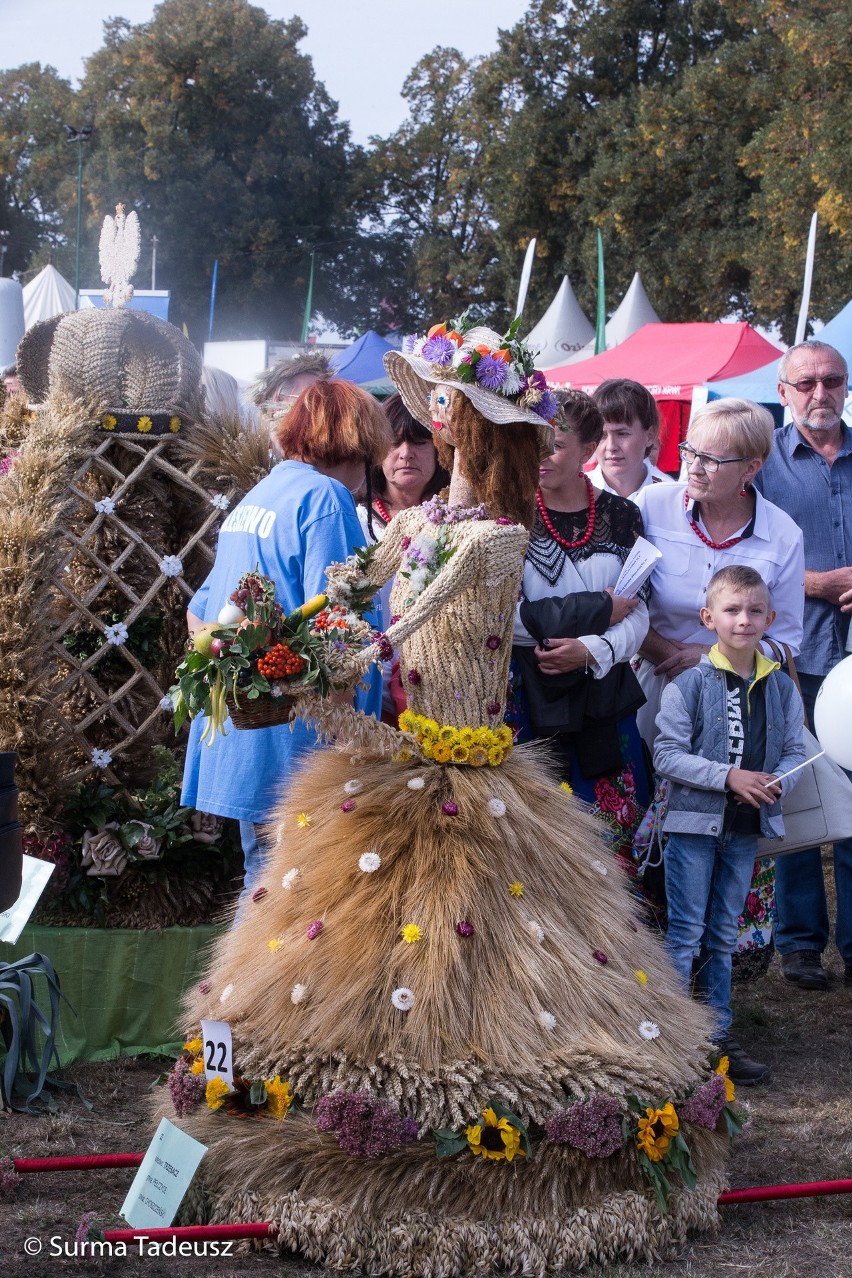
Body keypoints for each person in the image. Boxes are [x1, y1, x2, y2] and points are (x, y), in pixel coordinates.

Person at [170, 320, 730, 1271]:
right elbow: (352, 588)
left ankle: (478, 1154)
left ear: (473, 425)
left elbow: (398, 627)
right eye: (429, 399)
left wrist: (308, 654)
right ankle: (277, 1131)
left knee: (479, 969)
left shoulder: (493, 538)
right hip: (393, 759)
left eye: (447, 403)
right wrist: (259, 634)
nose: (429, 416)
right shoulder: (421, 521)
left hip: (471, 771)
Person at [180, 379, 390, 898]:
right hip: (297, 742)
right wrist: (350, 743)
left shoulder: (261, 494)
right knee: (292, 893)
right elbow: (339, 627)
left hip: (245, 733)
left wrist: (239, 664)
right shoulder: (324, 498)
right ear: (358, 444)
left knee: (265, 881)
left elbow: (199, 614)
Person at [634, 398, 805, 974]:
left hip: (738, 708)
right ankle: (650, 973)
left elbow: (790, 642)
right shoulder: (650, 506)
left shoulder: (781, 533)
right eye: (690, 452)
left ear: (752, 468)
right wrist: (667, 653)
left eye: (712, 458)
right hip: (651, 685)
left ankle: (718, 982)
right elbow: (623, 599)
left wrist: (715, 657)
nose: (695, 467)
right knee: (657, 824)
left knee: (725, 832)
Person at [654, 566, 805, 1084]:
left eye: (755, 611)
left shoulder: (781, 688)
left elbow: (793, 750)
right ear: (708, 617)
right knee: (685, 933)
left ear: (771, 618)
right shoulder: (690, 685)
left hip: (744, 830)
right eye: (732, 610)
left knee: (722, 935)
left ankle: (717, 1037)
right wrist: (730, 777)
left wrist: (779, 781)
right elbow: (667, 755)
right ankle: (673, 1043)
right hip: (694, 829)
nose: (744, 620)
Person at [511, 389, 650, 867]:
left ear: (589, 451)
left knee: (614, 837)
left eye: (554, 444)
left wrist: (592, 651)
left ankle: (623, 940)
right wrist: (594, 611)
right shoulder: (505, 517)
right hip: (531, 697)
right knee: (539, 840)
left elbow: (637, 610)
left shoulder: (621, 514)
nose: (539, 456)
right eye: (531, 442)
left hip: (604, 697)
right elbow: (502, 620)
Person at [753, 340, 852, 991]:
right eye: (806, 383)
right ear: (784, 392)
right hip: (793, 659)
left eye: (832, 381)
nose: (821, 393)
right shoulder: (765, 468)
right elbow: (746, 555)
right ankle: (800, 946)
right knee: (797, 799)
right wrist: (815, 582)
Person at [357, 392, 449, 722]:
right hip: (365, 693)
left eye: (421, 442)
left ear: (441, 450)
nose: (406, 454)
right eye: (394, 442)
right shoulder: (356, 522)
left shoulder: (457, 520)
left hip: (443, 694)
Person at [588, 378, 673, 500]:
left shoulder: (671, 496)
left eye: (622, 434)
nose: (611, 446)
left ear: (650, 435)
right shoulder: (575, 494)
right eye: (602, 435)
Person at [247, 350, 333, 449]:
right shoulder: (255, 459)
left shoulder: (332, 451)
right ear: (278, 400)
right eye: (314, 397)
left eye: (329, 394)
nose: (327, 403)